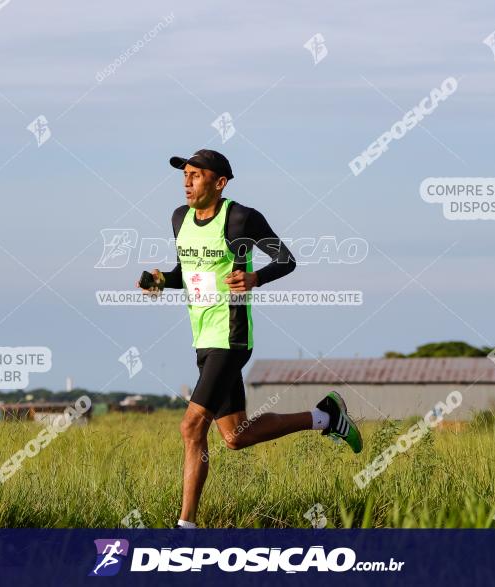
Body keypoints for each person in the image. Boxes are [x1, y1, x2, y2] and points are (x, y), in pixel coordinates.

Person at [137, 149, 362, 529]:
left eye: (195, 175)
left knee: (191, 426)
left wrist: (255, 278)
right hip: (203, 337)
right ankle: (326, 417)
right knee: (236, 436)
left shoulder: (241, 218)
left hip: (232, 336)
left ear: (219, 182)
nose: (186, 182)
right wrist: (161, 281)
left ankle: (185, 528)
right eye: (184, 175)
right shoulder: (180, 219)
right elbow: (186, 272)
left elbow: (286, 259)